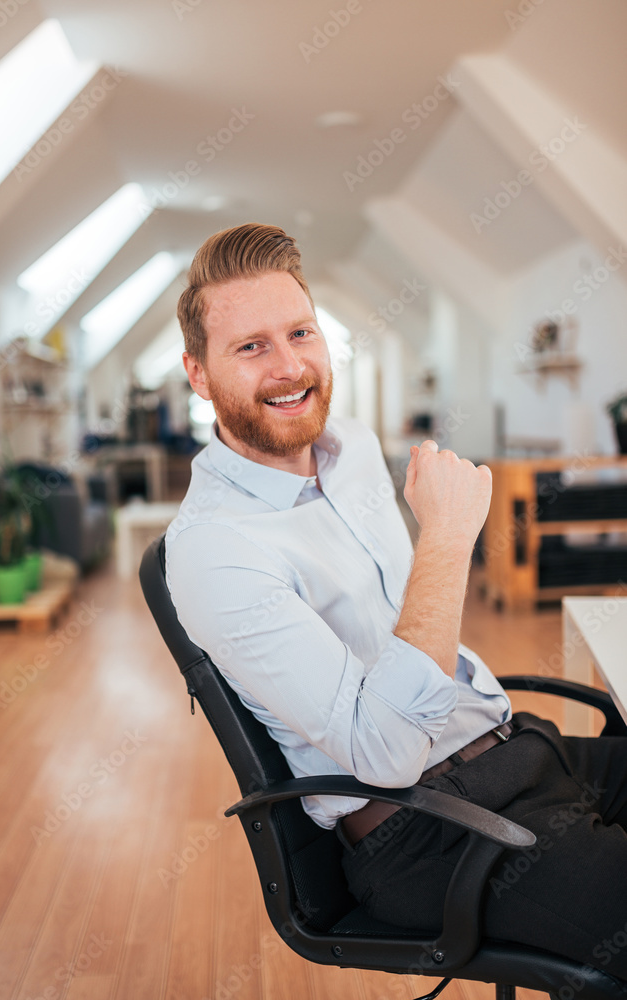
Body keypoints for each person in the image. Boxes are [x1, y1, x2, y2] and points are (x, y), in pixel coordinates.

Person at [165, 223, 627, 986]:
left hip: (516, 750)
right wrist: (449, 538)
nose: (290, 367)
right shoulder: (216, 550)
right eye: (251, 347)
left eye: (300, 333)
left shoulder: (349, 450)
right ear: (199, 373)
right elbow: (384, 756)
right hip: (427, 834)